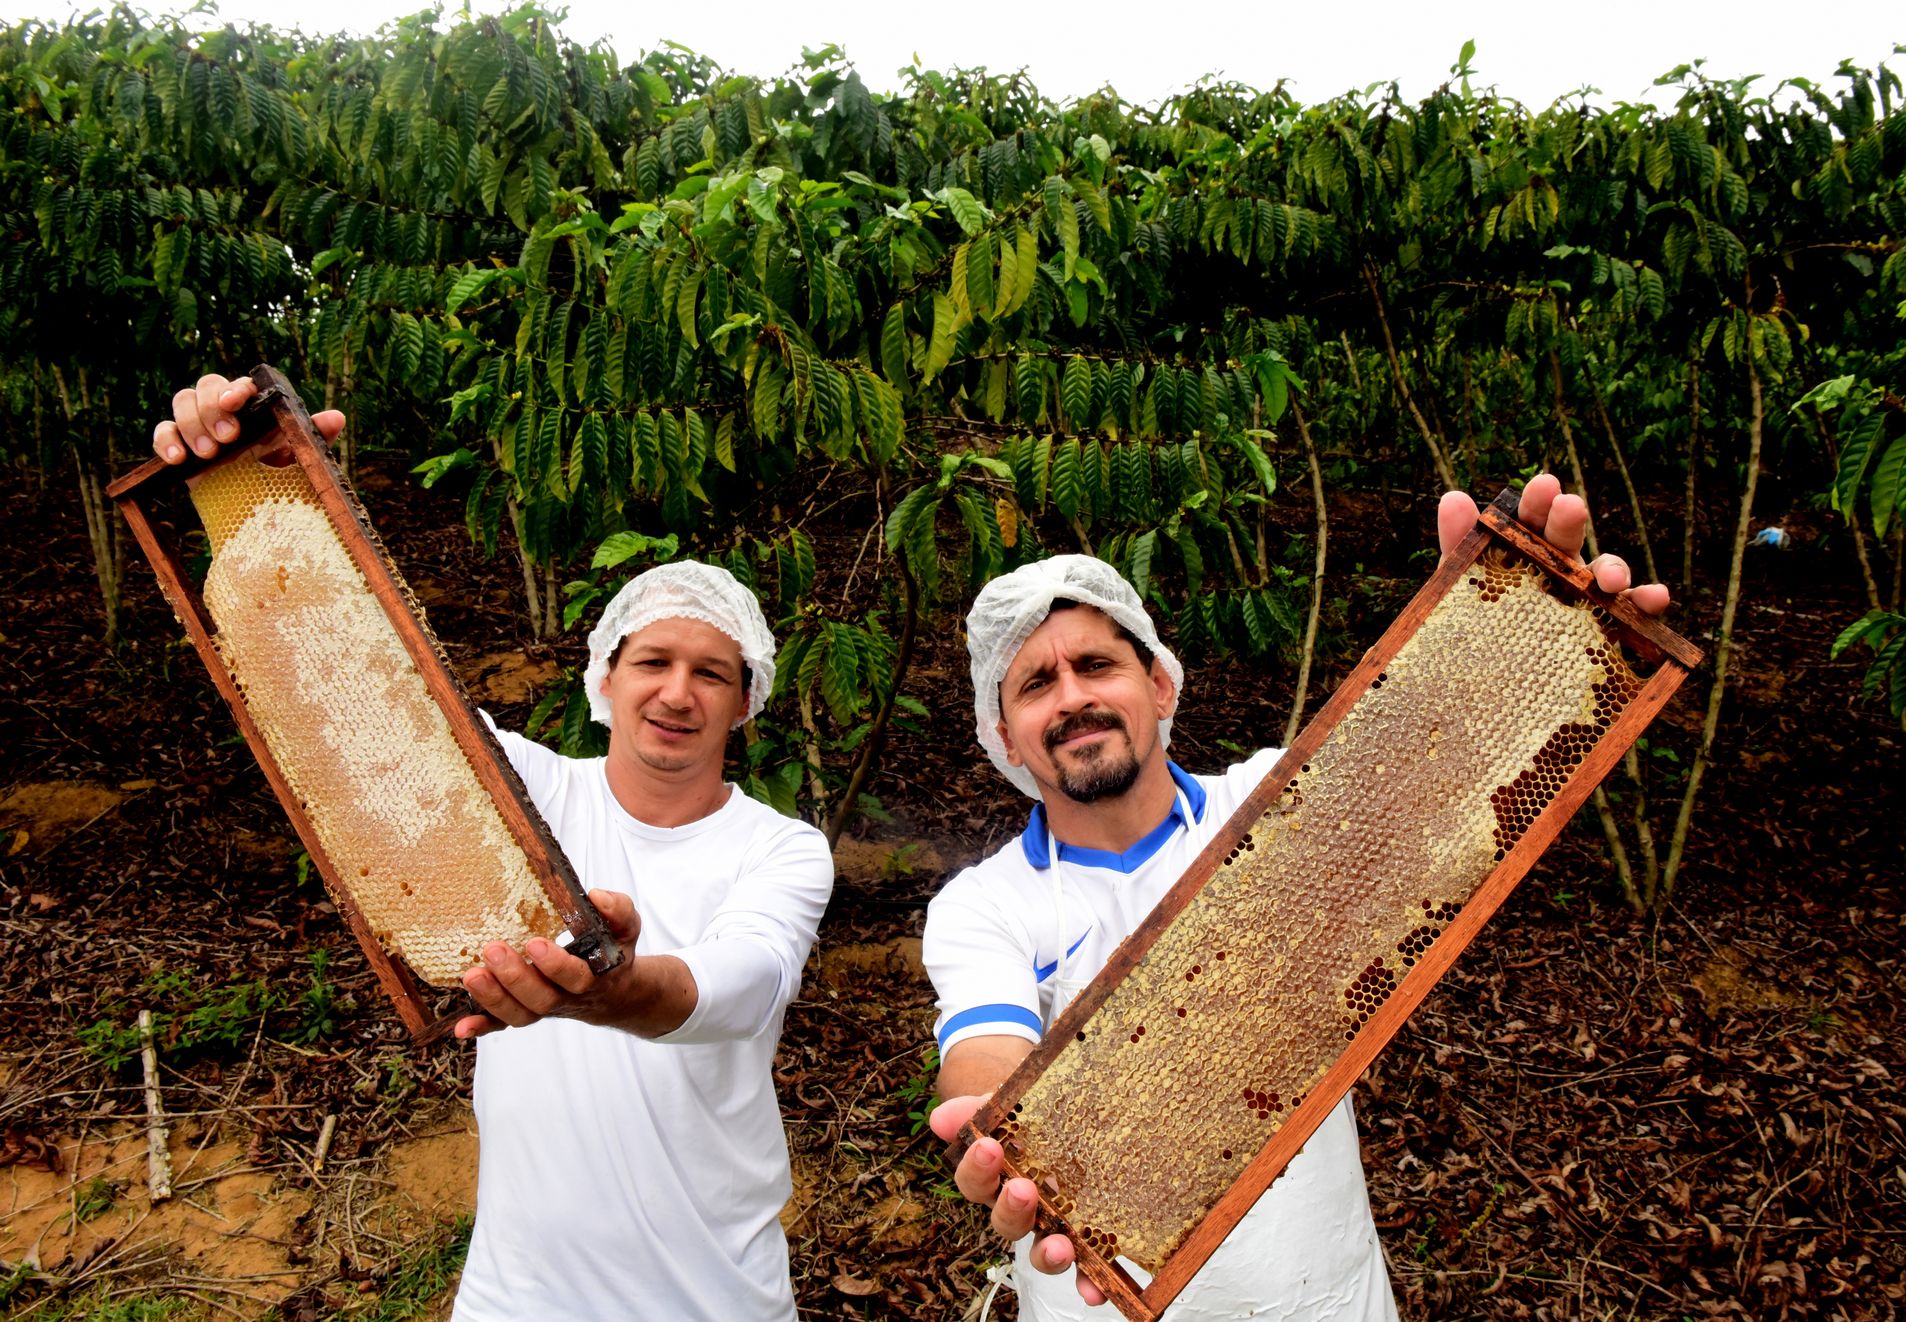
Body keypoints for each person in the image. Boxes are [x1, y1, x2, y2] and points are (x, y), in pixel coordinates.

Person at [153, 375, 833, 1322]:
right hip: (517, 1298)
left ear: (746, 703)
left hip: (713, 1297)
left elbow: (740, 986)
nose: (677, 694)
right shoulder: (524, 789)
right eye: (653, 662)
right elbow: (363, 685)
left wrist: (614, 988)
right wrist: (264, 483)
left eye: (710, 673)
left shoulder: (783, 849)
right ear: (604, 677)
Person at [923, 479, 1669, 1321]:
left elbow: (1432, 781)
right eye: (1035, 685)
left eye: (1096, 664)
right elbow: (985, 1052)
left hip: (1319, 1296)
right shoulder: (982, 904)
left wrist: (1510, 627)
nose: (1072, 698)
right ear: (1007, 738)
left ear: (1159, 685)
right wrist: (999, 1132)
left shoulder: (1277, 806)